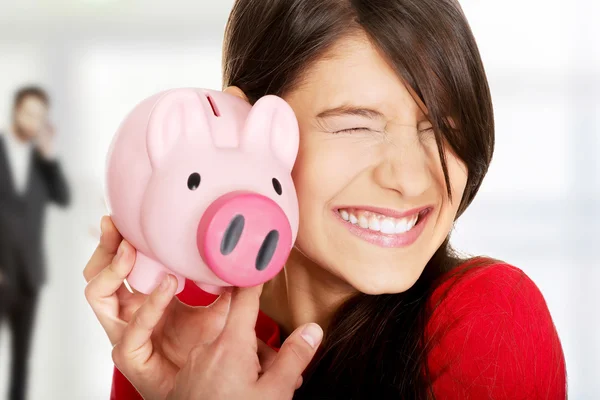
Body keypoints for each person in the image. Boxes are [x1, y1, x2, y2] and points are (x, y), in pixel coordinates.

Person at [84, 0, 567, 399]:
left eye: (440, 128)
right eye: (356, 125)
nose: (411, 180)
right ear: (245, 125)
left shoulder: (490, 319)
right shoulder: (181, 330)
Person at [0, 86, 70, 400]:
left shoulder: (42, 162)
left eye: (40, 116)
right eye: (29, 113)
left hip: (29, 275)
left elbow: (63, 197)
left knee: (20, 361)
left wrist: (49, 155)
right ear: (15, 111)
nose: (33, 121)